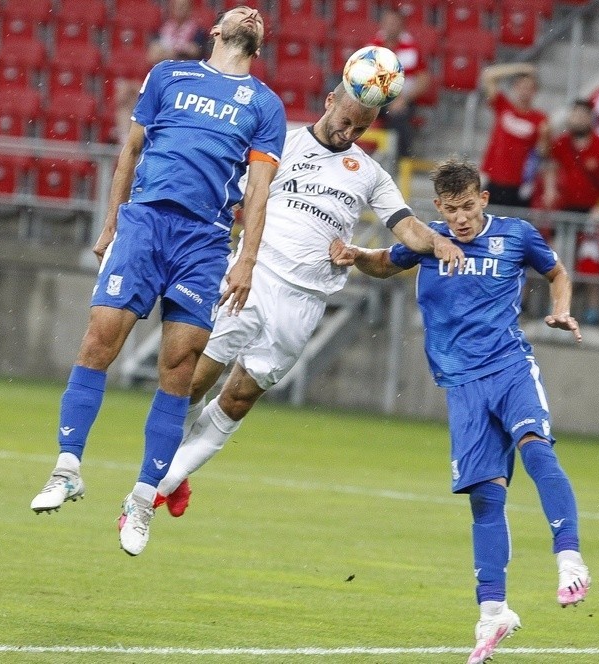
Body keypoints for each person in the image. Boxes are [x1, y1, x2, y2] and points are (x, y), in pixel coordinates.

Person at [29, 6, 287, 557]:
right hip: (145, 223)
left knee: (178, 368)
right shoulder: (169, 74)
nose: (250, 11)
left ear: (258, 42)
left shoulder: (266, 105)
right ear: (214, 31)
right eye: (236, 9)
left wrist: (248, 260)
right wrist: (110, 222)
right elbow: (132, 150)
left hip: (205, 241)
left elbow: (260, 190)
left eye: (256, 13)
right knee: (99, 338)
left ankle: (143, 498)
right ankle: (67, 466)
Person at [152, 83, 465, 515]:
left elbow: (407, 228)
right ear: (329, 102)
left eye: (362, 127)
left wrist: (439, 241)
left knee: (240, 398)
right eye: (346, 121)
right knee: (191, 382)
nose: (349, 133)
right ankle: (160, 479)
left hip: (305, 298)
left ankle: (159, 486)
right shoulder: (282, 142)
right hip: (254, 275)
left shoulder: (370, 174)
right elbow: (235, 194)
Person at [331, 157, 589, 664]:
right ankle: (493, 615)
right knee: (484, 499)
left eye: (468, 207)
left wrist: (559, 308)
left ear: (484, 199)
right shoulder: (429, 243)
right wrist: (355, 253)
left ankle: (570, 559)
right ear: (438, 208)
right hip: (463, 388)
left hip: (510, 368)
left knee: (536, 450)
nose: (461, 219)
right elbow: (385, 261)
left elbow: (556, 271)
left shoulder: (516, 235)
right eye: (450, 210)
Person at [542, 99, 599, 325]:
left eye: (582, 115)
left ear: (590, 118)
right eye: (574, 115)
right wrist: (549, 189)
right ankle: (557, 306)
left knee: (590, 259)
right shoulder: (561, 144)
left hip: (591, 211)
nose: (577, 119)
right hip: (565, 209)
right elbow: (551, 168)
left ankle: (592, 308)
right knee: (558, 261)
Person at [114, 0, 211, 143]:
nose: (180, 10)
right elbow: (152, 56)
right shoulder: (163, 29)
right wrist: (180, 52)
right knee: (124, 91)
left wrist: (168, 52)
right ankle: (125, 141)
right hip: (160, 80)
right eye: (177, 7)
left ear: (190, 10)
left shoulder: (199, 33)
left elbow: (197, 53)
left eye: (183, 7)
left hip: (185, 83)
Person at [480, 62, 550, 207]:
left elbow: (542, 153)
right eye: (522, 86)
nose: (525, 91)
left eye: (529, 88)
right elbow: (488, 75)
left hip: (519, 185)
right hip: (493, 178)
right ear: (515, 87)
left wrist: (545, 137)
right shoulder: (503, 106)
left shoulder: (540, 119)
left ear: (535, 91)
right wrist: (520, 68)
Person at [370, 7, 431, 163]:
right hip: (376, 98)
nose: (390, 26)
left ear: (402, 26)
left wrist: (403, 99)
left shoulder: (412, 48)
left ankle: (403, 163)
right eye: (387, 22)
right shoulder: (372, 46)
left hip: (403, 99)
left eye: (394, 23)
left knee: (398, 116)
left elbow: (424, 79)